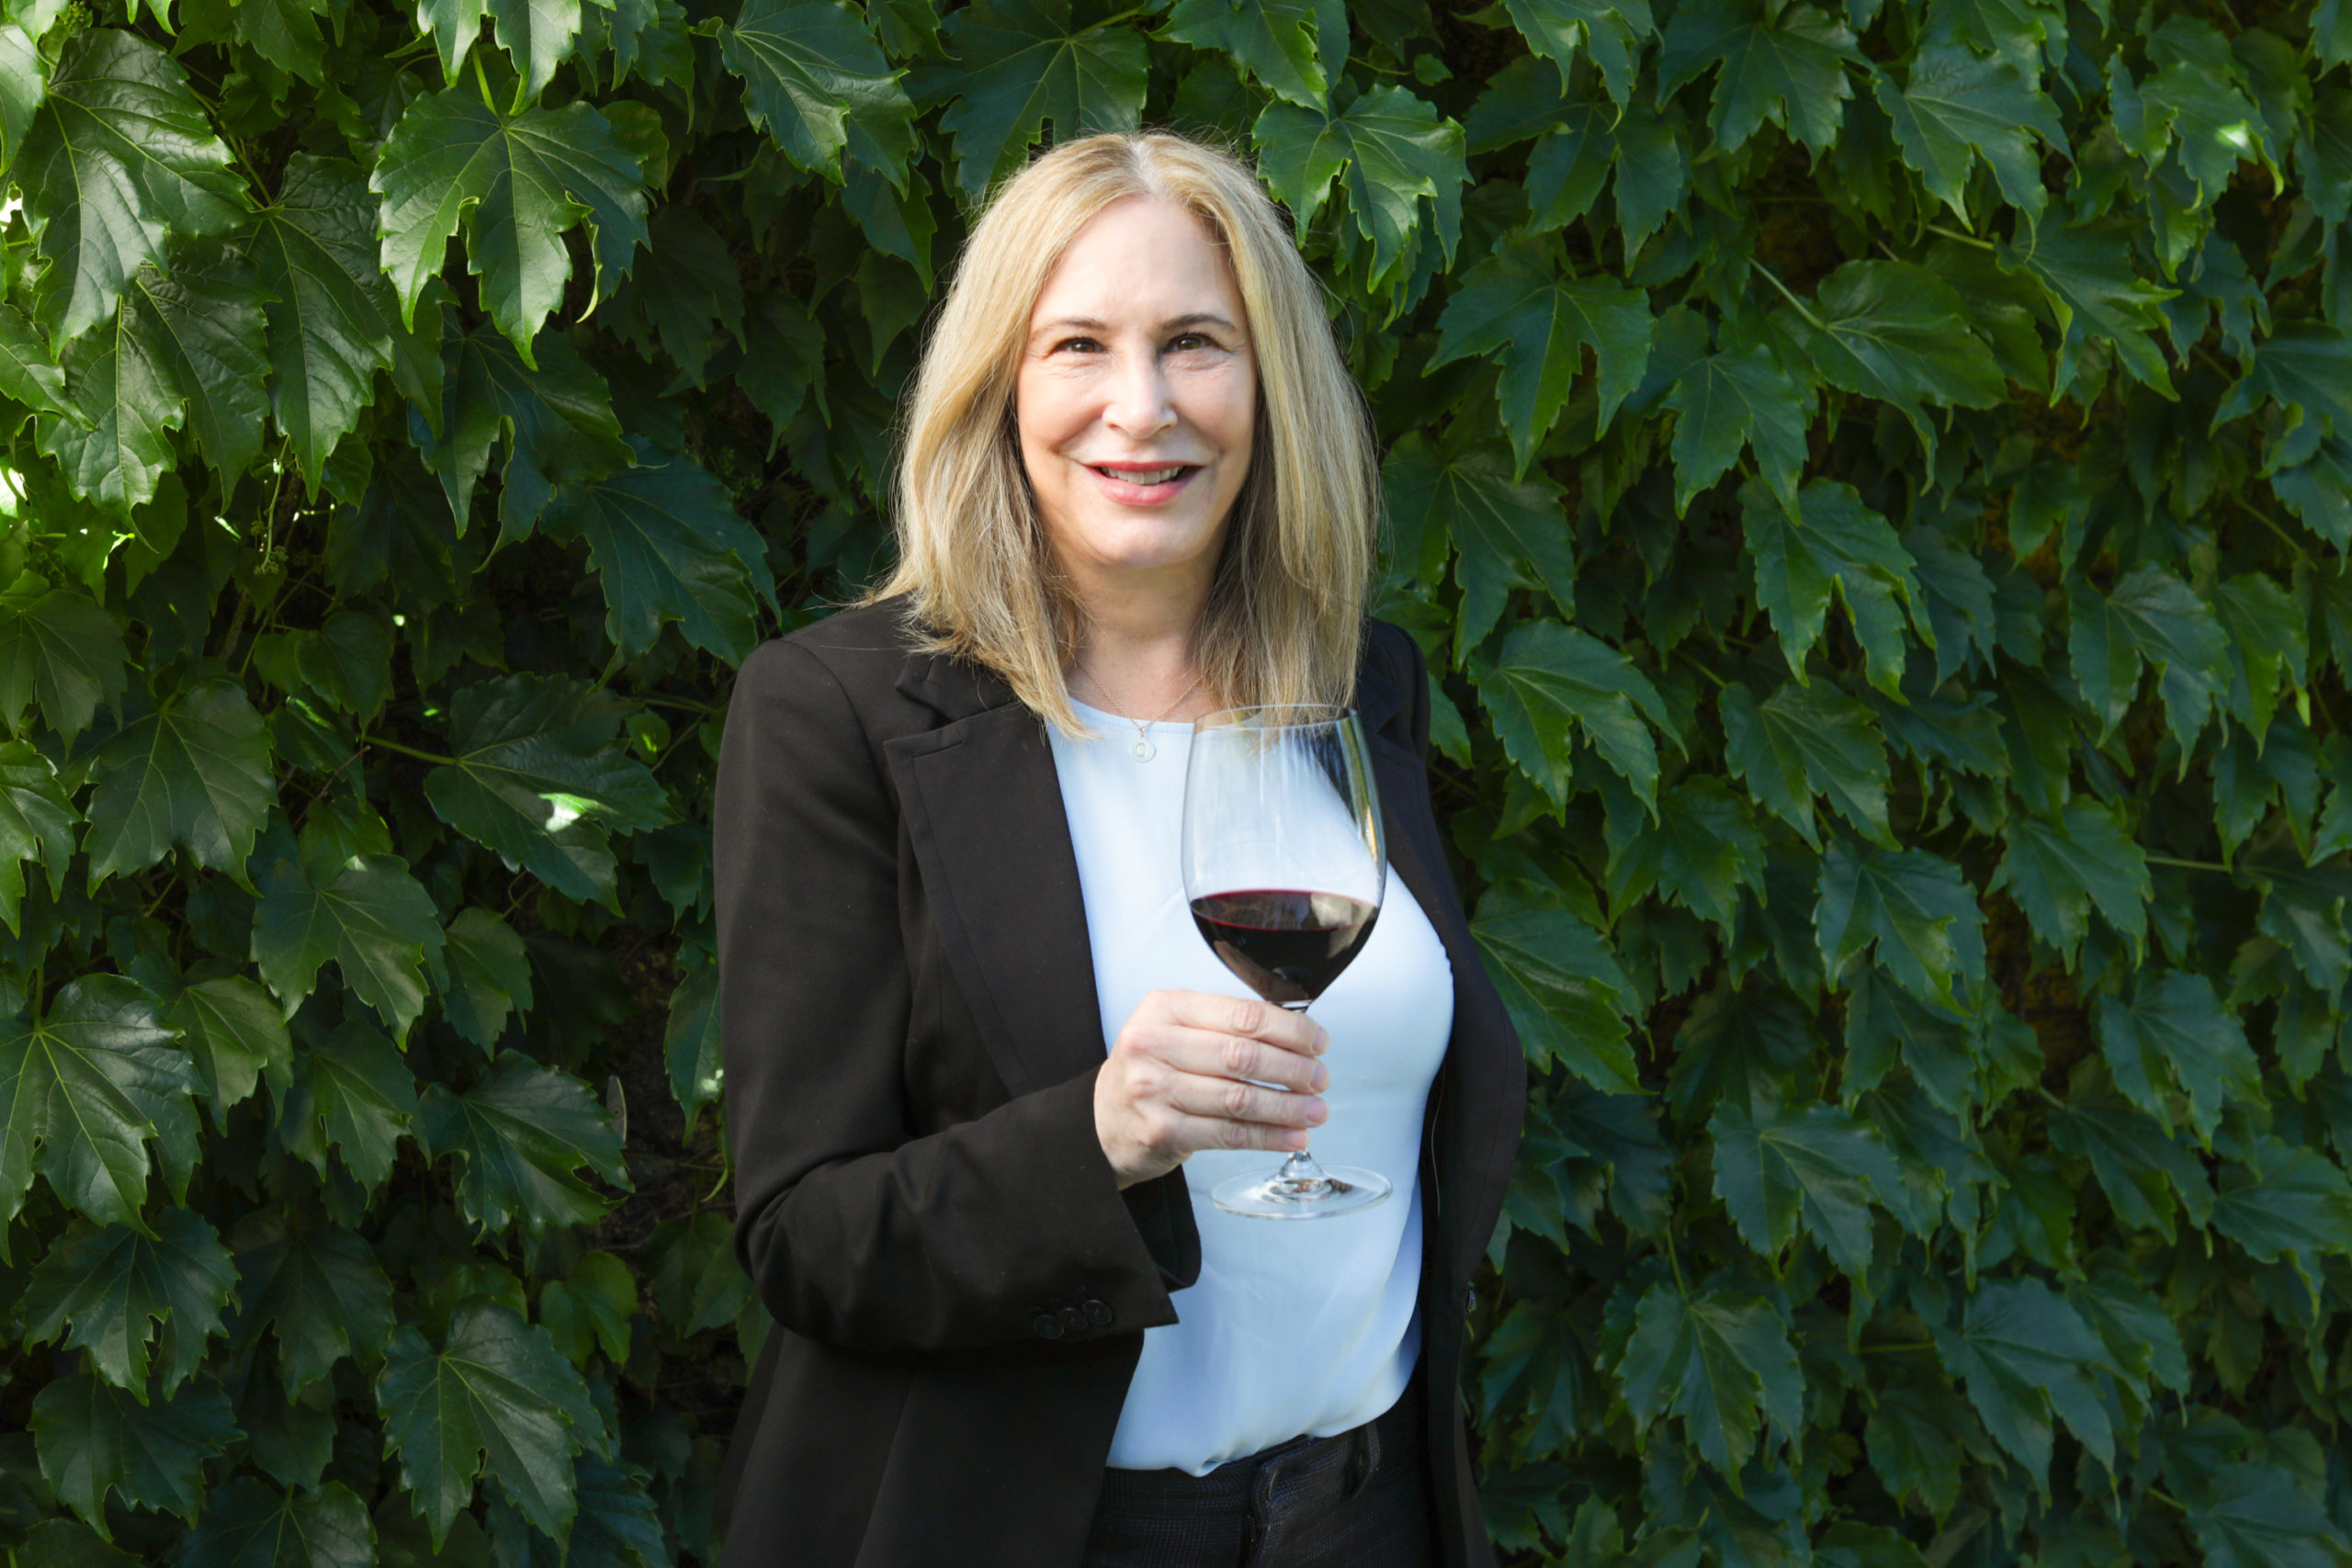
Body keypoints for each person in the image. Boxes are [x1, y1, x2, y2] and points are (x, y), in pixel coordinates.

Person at [712, 130, 1524, 1568]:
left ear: (1268, 387)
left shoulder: (1357, 688)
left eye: (1196, 343)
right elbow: (804, 1234)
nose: (1140, 408)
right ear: (999, 387)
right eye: (1078, 343)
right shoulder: (836, 713)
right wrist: (1100, 1135)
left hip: (1363, 1520)